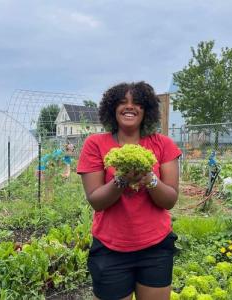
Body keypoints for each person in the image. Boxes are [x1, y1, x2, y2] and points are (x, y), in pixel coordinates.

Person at [77, 81, 182, 300]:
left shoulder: (163, 144)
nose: (130, 107)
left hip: (156, 247)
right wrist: (122, 179)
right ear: (112, 108)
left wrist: (149, 178)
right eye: (122, 102)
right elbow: (96, 200)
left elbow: (170, 200)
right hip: (110, 248)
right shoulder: (95, 144)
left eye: (137, 103)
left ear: (146, 110)